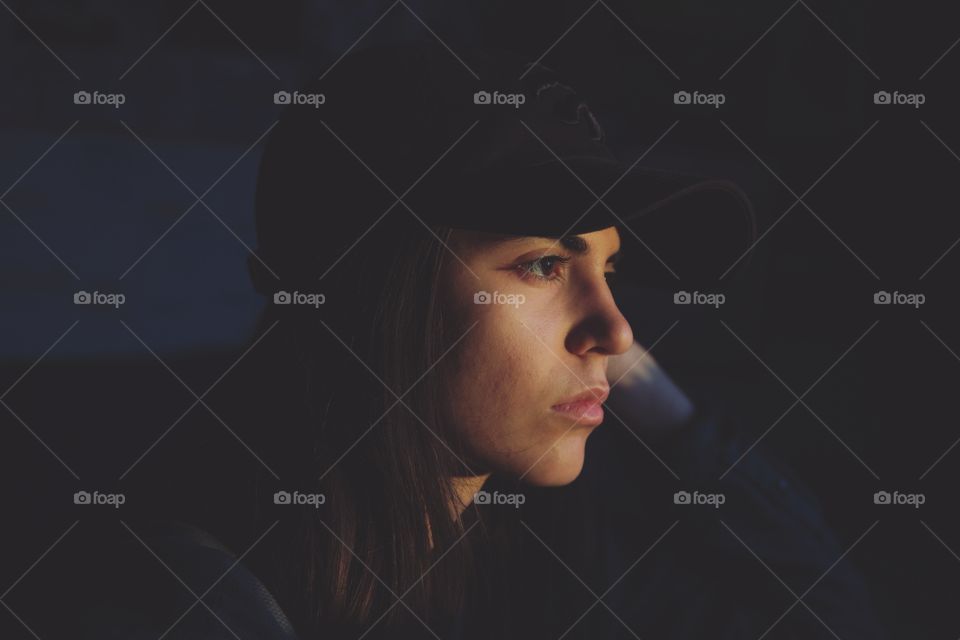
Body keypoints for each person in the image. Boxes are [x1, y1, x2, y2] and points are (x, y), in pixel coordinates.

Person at [73, 42, 887, 639]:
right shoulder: (193, 601)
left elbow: (830, 619)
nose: (617, 328)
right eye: (541, 265)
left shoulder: (545, 563)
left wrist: (668, 414)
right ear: (367, 288)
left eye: (611, 267)